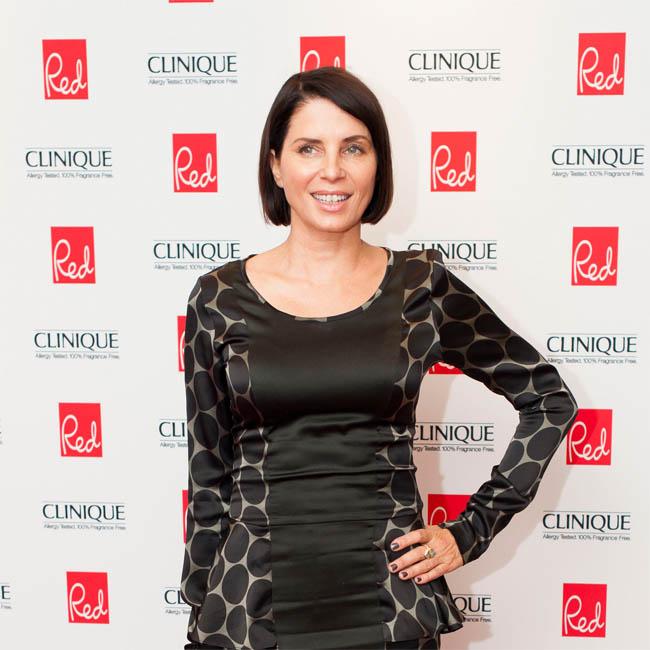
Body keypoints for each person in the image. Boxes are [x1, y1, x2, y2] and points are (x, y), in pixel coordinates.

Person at [179, 66, 579, 650]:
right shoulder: (219, 298)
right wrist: (201, 602)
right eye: (309, 148)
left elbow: (547, 398)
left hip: (393, 606)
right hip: (253, 604)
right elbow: (208, 470)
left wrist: (470, 532)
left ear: (377, 163)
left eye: (354, 147)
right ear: (276, 165)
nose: (332, 170)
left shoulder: (422, 288)